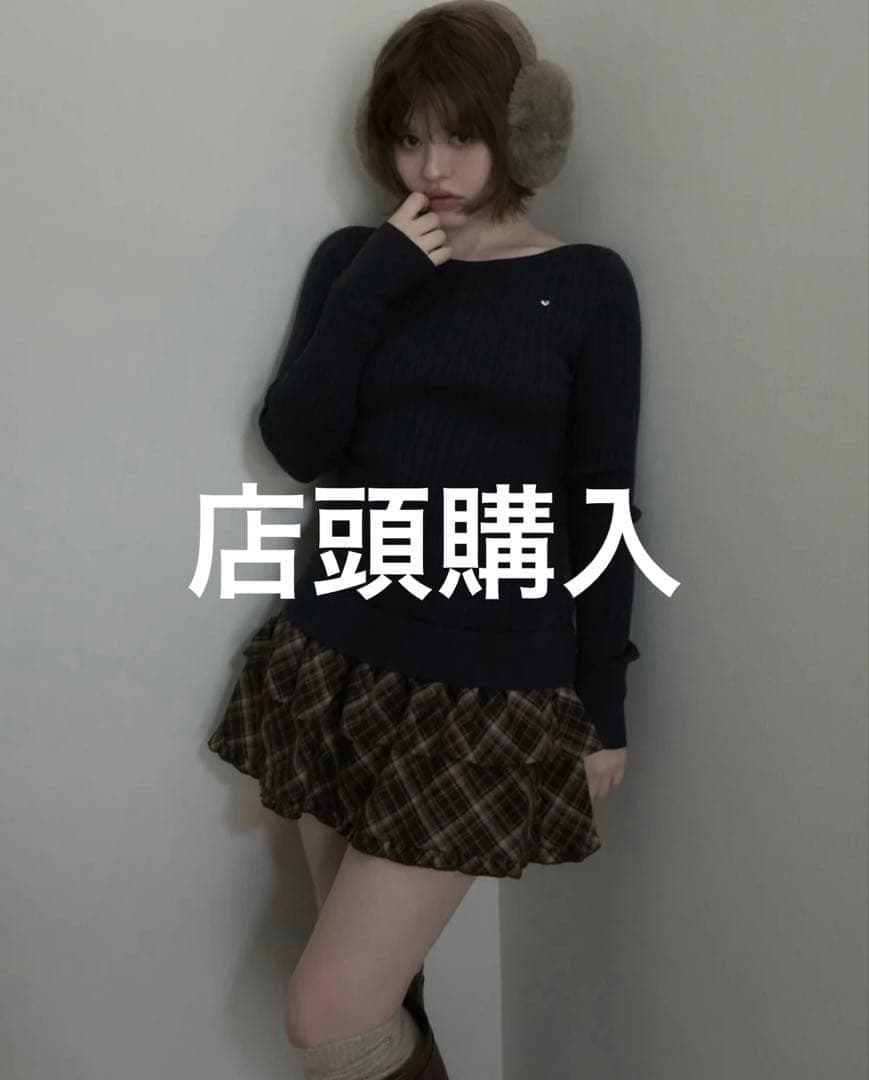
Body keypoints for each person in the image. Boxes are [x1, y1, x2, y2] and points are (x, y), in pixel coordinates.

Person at [207, 2, 643, 1077]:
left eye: (460, 134)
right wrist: (375, 284)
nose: (432, 167)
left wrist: (602, 705)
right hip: (334, 660)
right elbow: (299, 445)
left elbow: (602, 503)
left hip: (484, 691)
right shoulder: (355, 263)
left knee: (328, 1010)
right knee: (376, 996)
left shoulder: (585, 285)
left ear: (521, 130)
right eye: (408, 137)